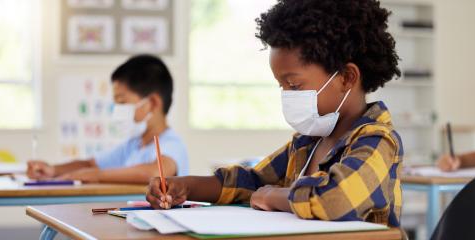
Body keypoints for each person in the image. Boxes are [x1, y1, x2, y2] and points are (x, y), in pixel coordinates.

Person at [147, 0, 404, 226]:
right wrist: (185, 186)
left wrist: (275, 196)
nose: (287, 94)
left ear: (347, 77)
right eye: (281, 86)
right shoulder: (307, 143)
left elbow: (336, 199)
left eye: (294, 85)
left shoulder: (378, 141)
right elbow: (251, 181)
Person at [27, 55, 188, 184]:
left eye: (123, 102)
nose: (117, 111)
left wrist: (97, 175)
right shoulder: (132, 145)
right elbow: (90, 164)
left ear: (152, 103)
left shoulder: (172, 144)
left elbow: (156, 172)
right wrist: (52, 170)